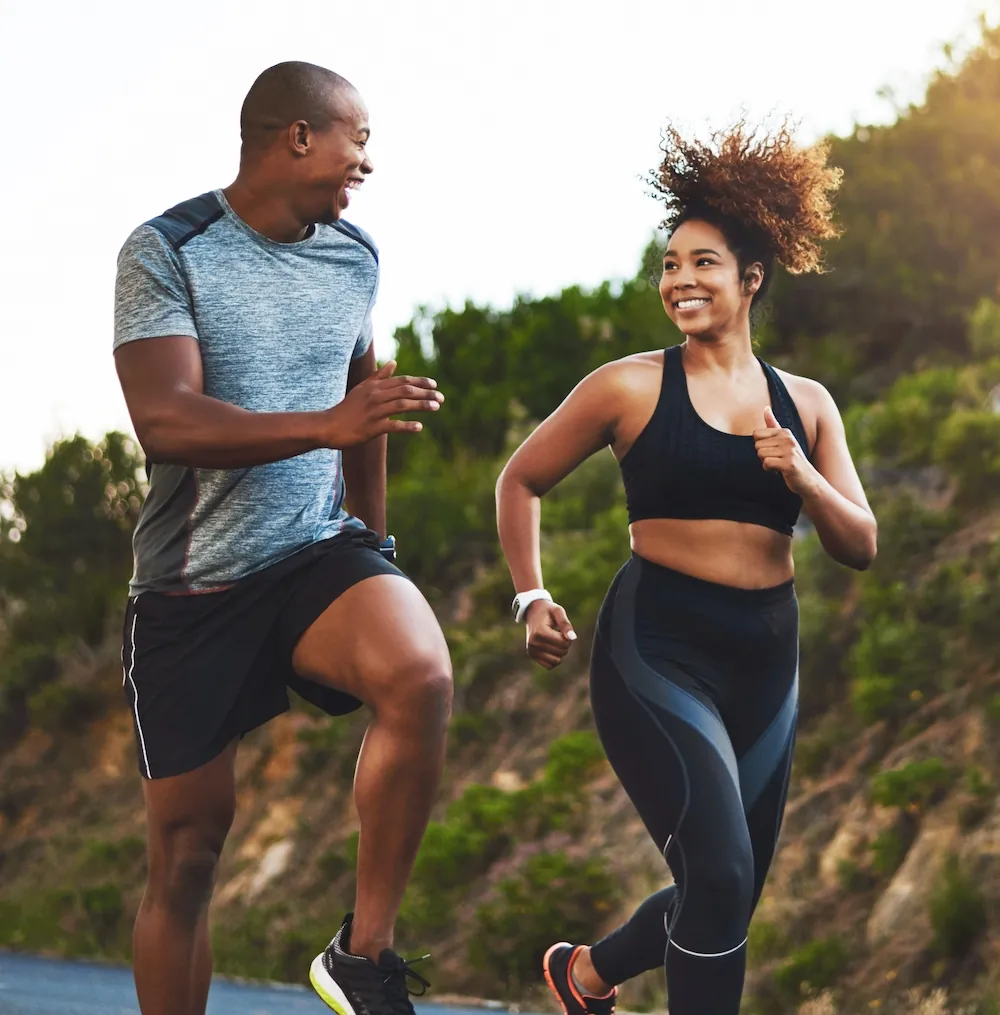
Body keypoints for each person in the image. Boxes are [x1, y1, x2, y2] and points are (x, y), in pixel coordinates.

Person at [495, 121, 877, 1015]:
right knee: (722, 867)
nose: (680, 281)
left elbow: (859, 543)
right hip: (658, 646)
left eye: (703, 263)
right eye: (670, 264)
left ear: (751, 278)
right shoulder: (627, 387)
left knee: (726, 890)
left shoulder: (807, 405)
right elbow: (523, 477)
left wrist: (804, 476)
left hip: (766, 657)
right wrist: (531, 592)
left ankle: (584, 975)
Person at [113, 61, 452, 1015]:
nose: (368, 162)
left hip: (313, 551)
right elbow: (166, 421)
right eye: (360, 138)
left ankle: (364, 953)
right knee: (187, 857)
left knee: (419, 670)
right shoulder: (167, 249)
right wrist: (324, 427)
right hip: (192, 589)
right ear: (298, 135)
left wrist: (374, 547)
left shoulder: (355, 257)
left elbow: (364, 408)